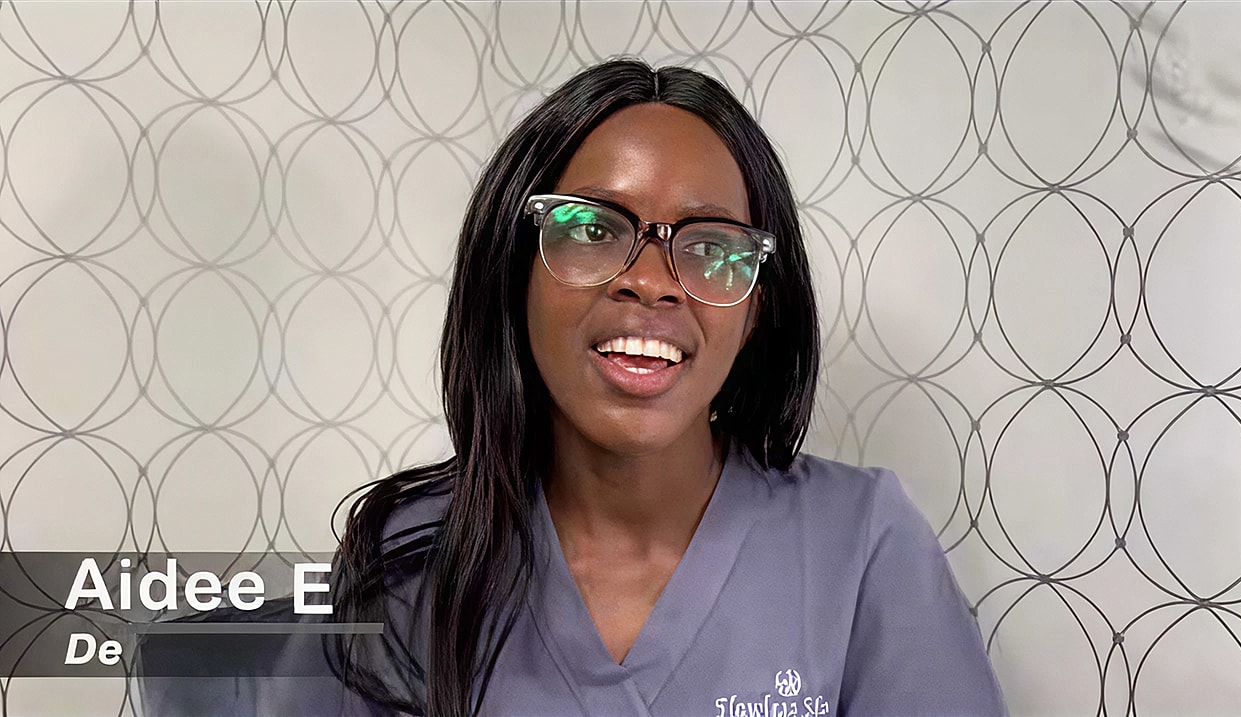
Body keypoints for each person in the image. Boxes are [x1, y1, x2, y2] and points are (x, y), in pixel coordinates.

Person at [141, 58, 1007, 717]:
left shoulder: (863, 545)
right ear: (517, 272)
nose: (653, 280)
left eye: (709, 246)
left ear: (757, 307)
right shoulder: (405, 562)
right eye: (595, 228)